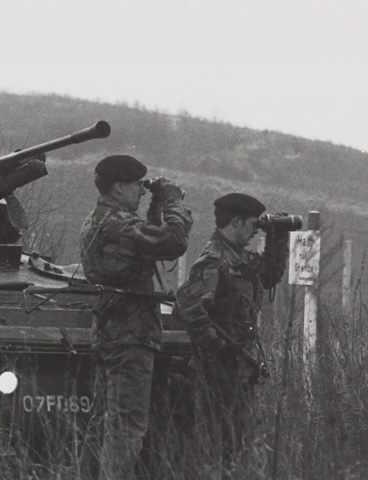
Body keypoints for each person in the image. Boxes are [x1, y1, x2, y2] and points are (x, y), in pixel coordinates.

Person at [78, 155, 193, 480]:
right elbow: (173, 243)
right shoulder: (122, 225)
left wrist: (155, 205)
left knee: (103, 422)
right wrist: (172, 200)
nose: (142, 192)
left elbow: (146, 243)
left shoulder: (97, 220)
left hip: (109, 333)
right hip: (132, 337)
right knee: (127, 426)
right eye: (137, 187)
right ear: (118, 187)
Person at [174, 193, 289, 472]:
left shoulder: (238, 259)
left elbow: (270, 274)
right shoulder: (214, 261)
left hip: (239, 372)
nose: (253, 232)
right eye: (252, 225)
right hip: (217, 374)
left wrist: (278, 237)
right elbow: (188, 308)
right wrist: (217, 350)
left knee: (238, 446)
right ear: (236, 222)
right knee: (217, 447)